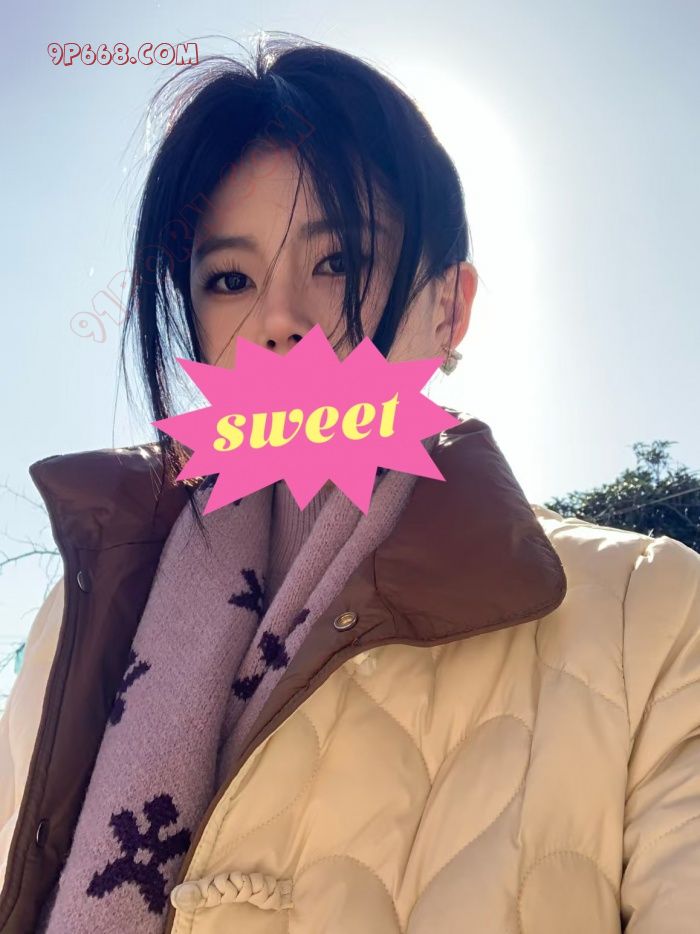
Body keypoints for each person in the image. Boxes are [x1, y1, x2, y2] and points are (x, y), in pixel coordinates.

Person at [1, 32, 699, 934]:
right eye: (229, 278)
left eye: (338, 262)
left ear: (449, 306)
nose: (280, 320)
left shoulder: (653, 614)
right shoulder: (88, 609)